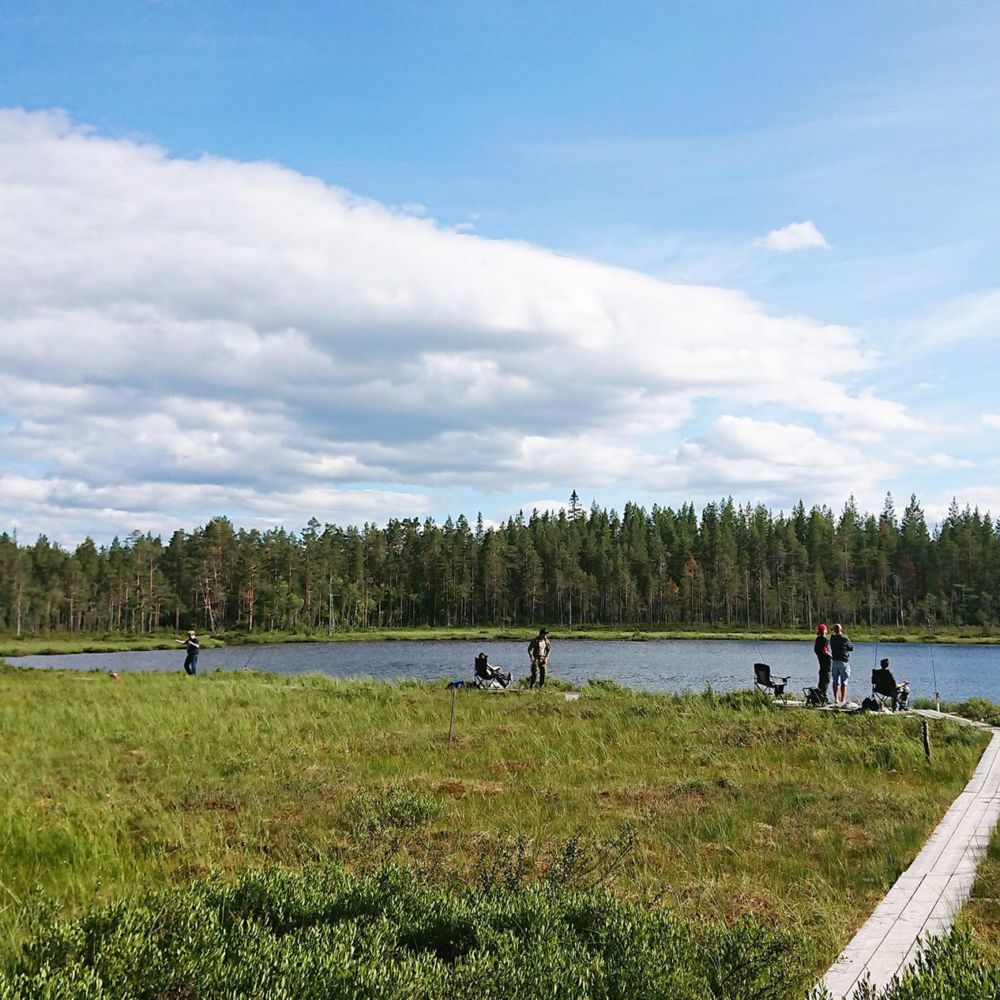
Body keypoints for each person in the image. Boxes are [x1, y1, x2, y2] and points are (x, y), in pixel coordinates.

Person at [830, 623, 853, 706]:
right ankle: (843, 699)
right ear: (841, 629)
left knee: (835, 681)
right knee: (844, 681)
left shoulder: (832, 638)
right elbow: (851, 648)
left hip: (835, 661)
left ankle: (836, 699)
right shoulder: (844, 638)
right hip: (843, 661)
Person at [814, 624, 832, 702]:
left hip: (821, 662)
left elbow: (816, 650)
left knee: (821, 680)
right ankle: (823, 697)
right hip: (826, 663)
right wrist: (832, 656)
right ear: (824, 630)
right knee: (826, 680)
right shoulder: (825, 640)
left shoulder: (817, 639)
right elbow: (825, 651)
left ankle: (818, 696)